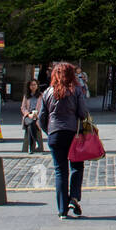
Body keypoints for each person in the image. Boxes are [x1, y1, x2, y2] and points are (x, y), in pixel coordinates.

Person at [37, 62, 90, 219]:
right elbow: (82, 112)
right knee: (77, 166)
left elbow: (41, 117)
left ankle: (62, 209)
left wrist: (49, 131)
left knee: (60, 171)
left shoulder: (47, 92)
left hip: (55, 134)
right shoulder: (76, 91)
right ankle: (73, 197)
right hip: (73, 133)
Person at [20, 78, 45, 153]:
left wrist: (37, 114)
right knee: (31, 123)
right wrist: (28, 114)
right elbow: (23, 107)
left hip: (37, 115)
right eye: (31, 85)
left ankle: (31, 147)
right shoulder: (26, 96)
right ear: (29, 86)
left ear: (37, 86)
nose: (33, 86)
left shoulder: (41, 96)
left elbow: (43, 107)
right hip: (28, 116)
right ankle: (35, 143)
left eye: (34, 85)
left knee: (32, 124)